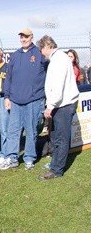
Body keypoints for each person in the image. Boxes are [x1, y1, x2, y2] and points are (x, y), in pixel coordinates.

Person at [0, 29, 47, 171]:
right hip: (15, 100)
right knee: (13, 130)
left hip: (33, 100)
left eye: (26, 37)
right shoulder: (15, 55)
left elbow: (50, 74)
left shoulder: (39, 53)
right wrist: (7, 96)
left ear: (32, 37)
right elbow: (9, 78)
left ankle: (29, 158)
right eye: (22, 37)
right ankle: (12, 158)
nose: (24, 39)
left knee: (31, 130)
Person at [37, 35, 79, 180]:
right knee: (55, 137)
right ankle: (55, 164)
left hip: (63, 105)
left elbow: (58, 85)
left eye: (41, 49)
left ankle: (56, 171)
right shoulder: (59, 58)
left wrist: (51, 105)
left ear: (47, 47)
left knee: (60, 138)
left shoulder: (59, 60)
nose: (41, 53)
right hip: (61, 104)